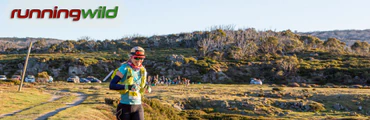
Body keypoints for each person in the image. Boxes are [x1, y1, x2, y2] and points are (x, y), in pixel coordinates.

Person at [109, 46, 148, 120]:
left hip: (138, 107)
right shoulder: (124, 68)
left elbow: (141, 85)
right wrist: (127, 87)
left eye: (141, 58)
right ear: (131, 57)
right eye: (136, 58)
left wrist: (147, 87)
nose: (139, 60)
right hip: (124, 107)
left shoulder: (143, 70)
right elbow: (112, 85)